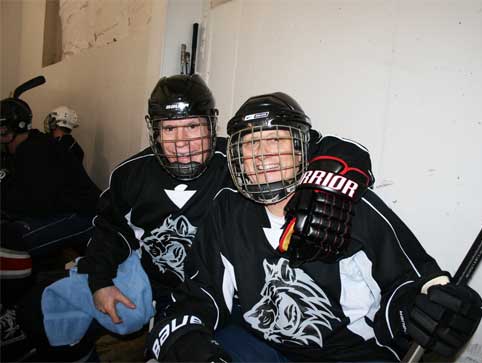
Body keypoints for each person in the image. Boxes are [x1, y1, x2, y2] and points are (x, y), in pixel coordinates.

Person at [18, 75, 373, 361]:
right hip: (150, 277)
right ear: (155, 131)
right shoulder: (131, 174)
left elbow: (322, 146)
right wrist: (99, 281)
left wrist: (334, 180)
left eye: (192, 127)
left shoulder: (239, 163)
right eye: (169, 129)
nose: (182, 141)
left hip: (219, 291)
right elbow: (110, 231)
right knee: (49, 309)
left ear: (211, 125)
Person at [145, 92, 482, 362]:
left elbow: (407, 282)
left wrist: (430, 308)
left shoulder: (350, 205)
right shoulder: (227, 209)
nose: (262, 155)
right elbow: (202, 293)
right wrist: (185, 339)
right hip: (263, 344)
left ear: (300, 149)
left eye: (276, 140)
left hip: (349, 354)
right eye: (250, 144)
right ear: (238, 157)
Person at [0, 87, 100, 361]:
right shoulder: (22, 149)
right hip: (64, 211)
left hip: (85, 217)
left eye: (3, 128)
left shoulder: (36, 149)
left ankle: (14, 315)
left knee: (9, 240)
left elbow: (40, 203)